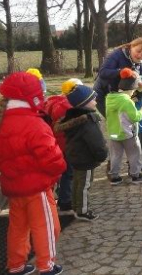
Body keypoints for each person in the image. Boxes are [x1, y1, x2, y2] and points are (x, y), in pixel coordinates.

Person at [0, 71, 67, 275]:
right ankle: (46, 266)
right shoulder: (35, 124)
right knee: (47, 227)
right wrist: (57, 173)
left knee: (17, 229)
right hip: (37, 188)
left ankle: (16, 265)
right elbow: (53, 158)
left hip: (14, 188)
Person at [55, 83, 109, 222]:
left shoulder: (71, 118)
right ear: (84, 103)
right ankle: (83, 210)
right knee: (85, 184)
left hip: (75, 156)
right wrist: (102, 154)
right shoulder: (88, 120)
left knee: (77, 182)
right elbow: (96, 141)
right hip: (86, 159)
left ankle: (75, 204)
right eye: (93, 99)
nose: (96, 101)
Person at [41, 74, 79, 214]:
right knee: (68, 173)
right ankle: (65, 200)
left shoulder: (52, 101)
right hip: (64, 144)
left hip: (54, 143)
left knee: (61, 172)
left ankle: (60, 195)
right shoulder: (66, 106)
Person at [105, 68, 142, 185]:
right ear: (131, 88)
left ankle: (114, 177)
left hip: (114, 133)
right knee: (134, 154)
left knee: (115, 155)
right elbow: (135, 117)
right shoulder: (126, 101)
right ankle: (136, 175)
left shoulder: (110, 98)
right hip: (128, 133)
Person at [93, 37, 142, 117]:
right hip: (103, 94)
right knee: (115, 121)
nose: (139, 55)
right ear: (131, 46)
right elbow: (103, 72)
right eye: (138, 51)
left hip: (124, 97)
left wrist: (141, 89)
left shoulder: (141, 66)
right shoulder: (117, 55)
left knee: (127, 123)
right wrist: (120, 72)